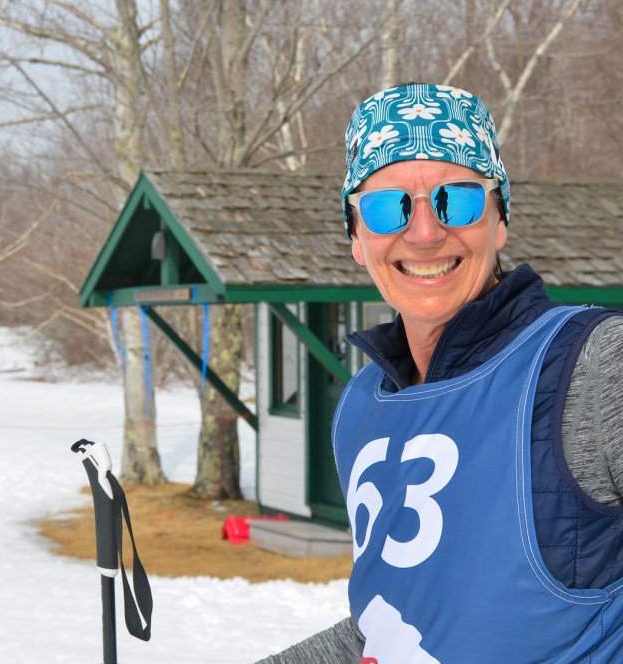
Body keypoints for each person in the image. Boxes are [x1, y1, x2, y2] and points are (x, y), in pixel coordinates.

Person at [256, 83, 623, 663]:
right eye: (386, 206)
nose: (425, 233)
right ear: (356, 237)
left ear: (499, 220)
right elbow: (389, 624)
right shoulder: (362, 405)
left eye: (458, 199)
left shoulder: (597, 362)